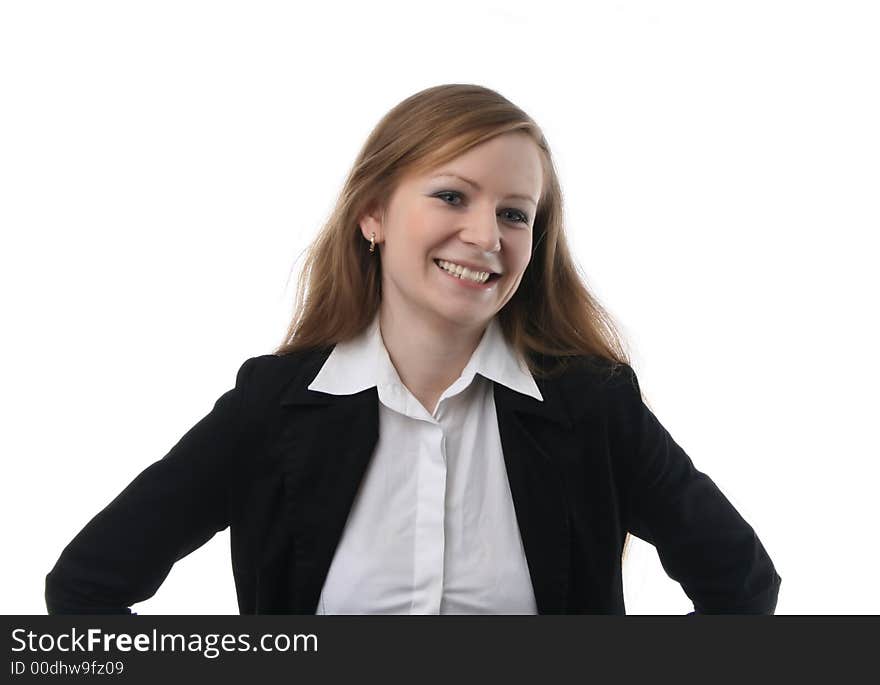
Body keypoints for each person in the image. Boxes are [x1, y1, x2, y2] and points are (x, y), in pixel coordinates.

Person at [45, 83, 781, 615]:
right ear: (373, 214)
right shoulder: (273, 408)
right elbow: (85, 590)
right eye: (452, 196)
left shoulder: (592, 406)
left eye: (515, 214)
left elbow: (742, 587)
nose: (487, 236)